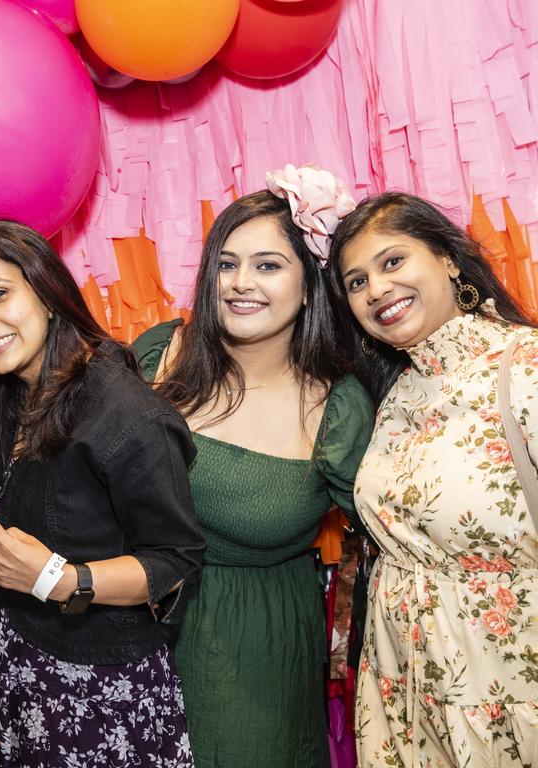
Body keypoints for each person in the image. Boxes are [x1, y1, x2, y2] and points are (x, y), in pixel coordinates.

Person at [0, 218, 205, 767]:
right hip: (19, 679)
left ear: (48, 293)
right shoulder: (5, 394)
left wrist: (56, 578)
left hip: (97, 693)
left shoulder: (125, 415)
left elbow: (176, 560)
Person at [132, 165, 376, 767]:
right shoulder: (159, 356)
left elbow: (397, 538)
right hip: (127, 635)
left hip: (255, 658)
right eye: (226, 263)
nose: (241, 283)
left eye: (268, 265)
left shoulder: (337, 408)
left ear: (310, 281)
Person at [327, 192, 538, 765]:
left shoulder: (523, 367)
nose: (376, 289)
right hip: (405, 691)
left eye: (392, 262)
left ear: (448, 258)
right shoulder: (394, 392)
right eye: (356, 281)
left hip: (505, 691)